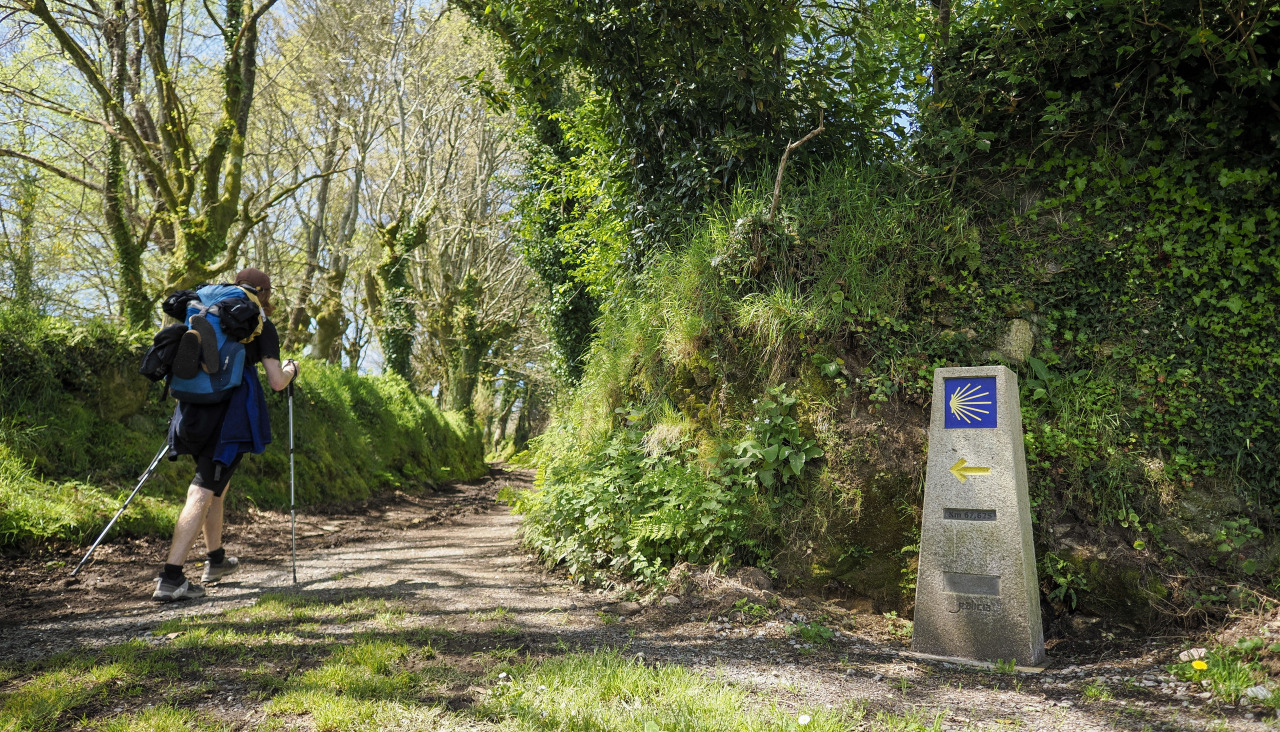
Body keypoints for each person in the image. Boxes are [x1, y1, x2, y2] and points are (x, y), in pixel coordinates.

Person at [152, 267, 299, 601]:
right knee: (203, 489)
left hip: (189, 410)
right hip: (228, 415)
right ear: (264, 292)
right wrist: (292, 369)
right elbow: (277, 381)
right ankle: (171, 577)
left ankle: (215, 560)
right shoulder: (258, 324)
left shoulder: (205, 309)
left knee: (217, 484)